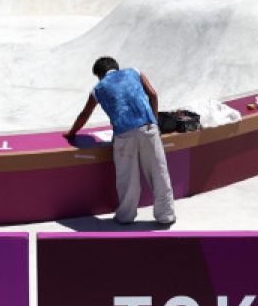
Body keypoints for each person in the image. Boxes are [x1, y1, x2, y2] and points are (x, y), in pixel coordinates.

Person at [64, 57, 176, 225]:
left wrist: (72, 132)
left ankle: (126, 216)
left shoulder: (98, 89)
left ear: (100, 74)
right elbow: (153, 94)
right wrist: (154, 121)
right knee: (159, 173)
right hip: (148, 128)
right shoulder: (134, 72)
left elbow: (85, 114)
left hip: (124, 135)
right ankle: (166, 215)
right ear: (116, 67)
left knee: (128, 179)